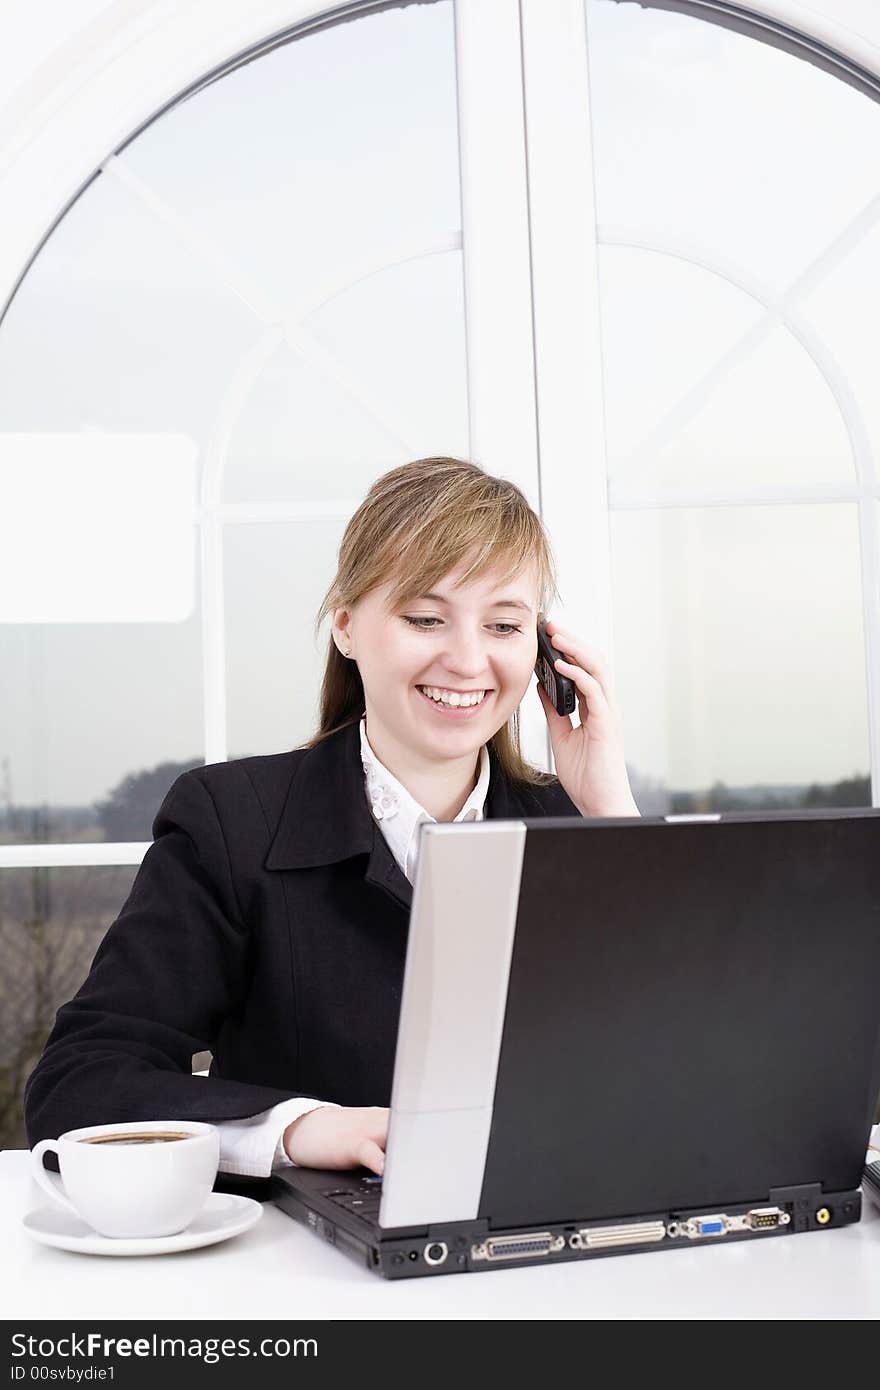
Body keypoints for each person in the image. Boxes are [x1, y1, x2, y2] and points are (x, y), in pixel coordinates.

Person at [24, 456, 638, 1181]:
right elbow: (78, 1085)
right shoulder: (230, 824)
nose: (468, 660)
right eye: (424, 618)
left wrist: (611, 815)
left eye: (504, 624)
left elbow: (697, 1068)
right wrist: (298, 1129)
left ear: (543, 651)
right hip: (309, 1271)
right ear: (346, 625)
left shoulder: (581, 826)